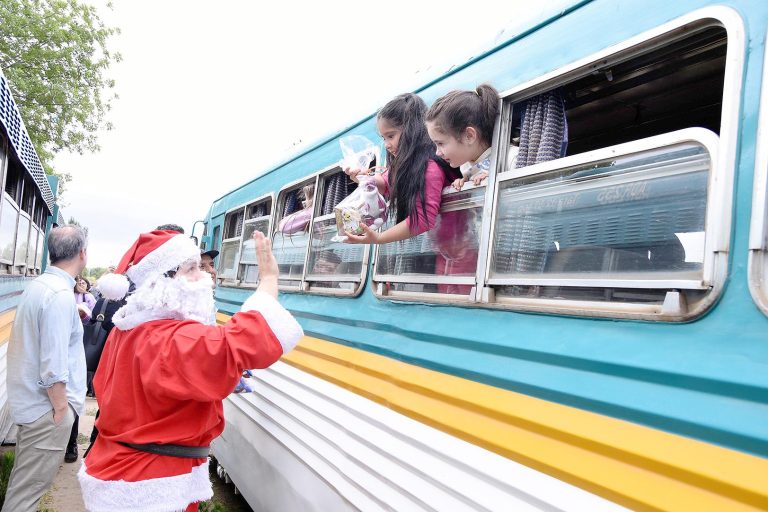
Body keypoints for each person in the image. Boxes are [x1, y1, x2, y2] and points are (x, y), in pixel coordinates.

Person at [78, 229, 303, 512]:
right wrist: (269, 282)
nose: (205, 277)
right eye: (192, 269)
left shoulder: (130, 330)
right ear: (161, 281)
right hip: (154, 482)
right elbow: (244, 343)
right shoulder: (169, 336)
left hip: (130, 473)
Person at [3, 225, 88, 512]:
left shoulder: (39, 286)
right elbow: (54, 365)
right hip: (46, 411)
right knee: (27, 495)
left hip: (33, 406)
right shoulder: (60, 296)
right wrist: (62, 410)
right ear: (82, 254)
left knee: (24, 486)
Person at [343, 93, 460, 245]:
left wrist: (379, 238)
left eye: (390, 136)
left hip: (460, 246)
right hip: (445, 247)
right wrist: (363, 177)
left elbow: (423, 219)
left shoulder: (430, 167)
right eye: (383, 138)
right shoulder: (407, 166)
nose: (386, 144)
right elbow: (386, 182)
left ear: (412, 130)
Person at [425, 83, 500, 191]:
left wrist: (497, 182)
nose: (437, 152)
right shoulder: (466, 167)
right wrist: (464, 185)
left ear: (469, 136)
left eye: (440, 143)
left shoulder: (510, 160)